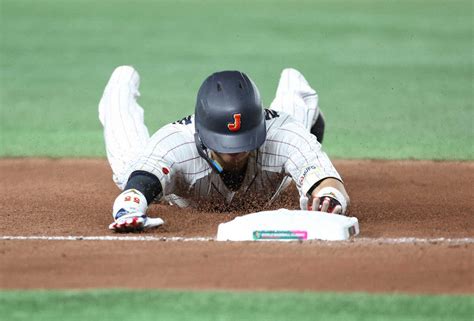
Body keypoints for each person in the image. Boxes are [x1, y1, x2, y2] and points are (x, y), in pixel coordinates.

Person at [99, 66, 350, 232]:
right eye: (225, 144)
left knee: (297, 116)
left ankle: (293, 84)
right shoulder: (174, 143)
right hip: (179, 194)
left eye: (245, 140)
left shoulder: (282, 132)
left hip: (272, 174)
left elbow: (322, 176)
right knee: (127, 168)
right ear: (203, 133)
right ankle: (122, 82)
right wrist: (130, 207)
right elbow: (140, 182)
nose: (236, 151)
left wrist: (330, 196)